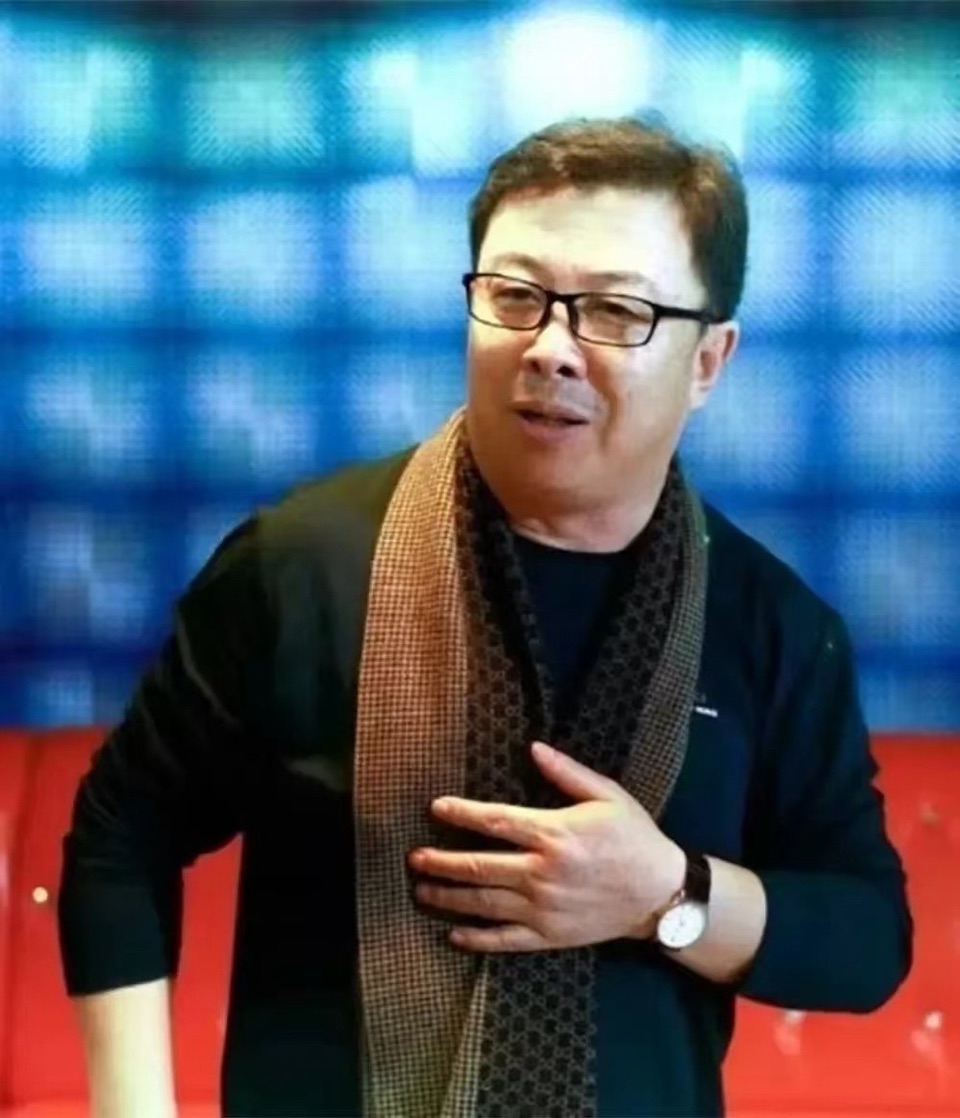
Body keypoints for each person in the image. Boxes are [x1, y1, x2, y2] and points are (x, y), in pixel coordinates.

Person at [58, 115, 912, 1118]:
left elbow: (865, 937)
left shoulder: (772, 623)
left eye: (614, 310)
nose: (550, 348)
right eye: (515, 295)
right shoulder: (299, 566)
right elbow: (121, 833)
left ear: (708, 360)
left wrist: (665, 895)